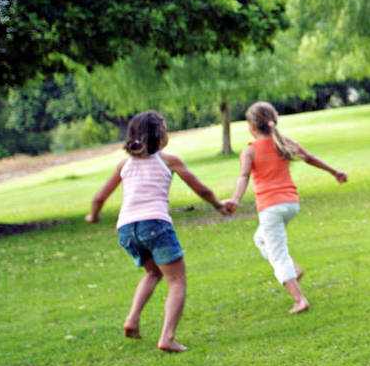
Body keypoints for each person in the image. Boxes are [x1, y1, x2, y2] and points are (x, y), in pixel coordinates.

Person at [85, 110, 230, 352]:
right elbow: (201, 190)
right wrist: (218, 205)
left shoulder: (124, 164)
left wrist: (94, 215)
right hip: (154, 224)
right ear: (161, 137)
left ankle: (132, 319)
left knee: (153, 273)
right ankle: (167, 338)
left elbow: (99, 197)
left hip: (126, 229)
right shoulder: (169, 160)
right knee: (177, 280)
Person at [225, 101, 346, 313]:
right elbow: (310, 158)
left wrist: (235, 199)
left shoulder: (250, 151)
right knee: (260, 239)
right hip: (290, 204)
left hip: (271, 207)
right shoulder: (283, 142)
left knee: (278, 254)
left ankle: (300, 300)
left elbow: (244, 176)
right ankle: (293, 270)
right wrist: (334, 172)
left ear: (252, 127)